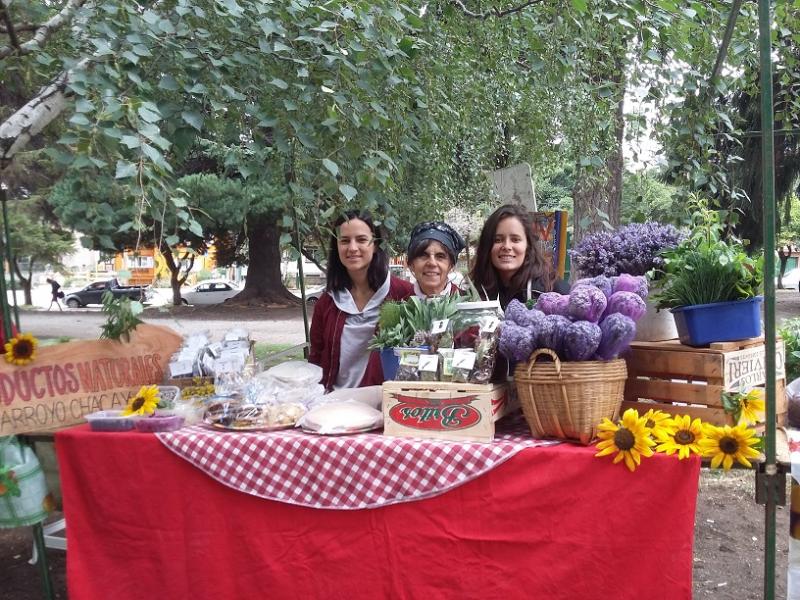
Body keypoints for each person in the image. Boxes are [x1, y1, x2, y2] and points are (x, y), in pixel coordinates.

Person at [309, 211, 414, 390]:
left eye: (361, 239)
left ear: (375, 245)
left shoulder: (403, 295)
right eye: (344, 241)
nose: (352, 248)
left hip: (383, 404)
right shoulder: (327, 302)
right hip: (334, 404)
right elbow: (316, 358)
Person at [470, 204, 569, 310]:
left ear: (528, 246)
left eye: (515, 239)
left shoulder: (552, 291)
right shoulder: (473, 294)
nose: (507, 246)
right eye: (497, 240)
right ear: (487, 246)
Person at [406, 221, 466, 298]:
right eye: (423, 255)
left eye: (440, 256)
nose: (432, 263)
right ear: (411, 264)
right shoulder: (399, 305)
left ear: (452, 265)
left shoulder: (469, 305)